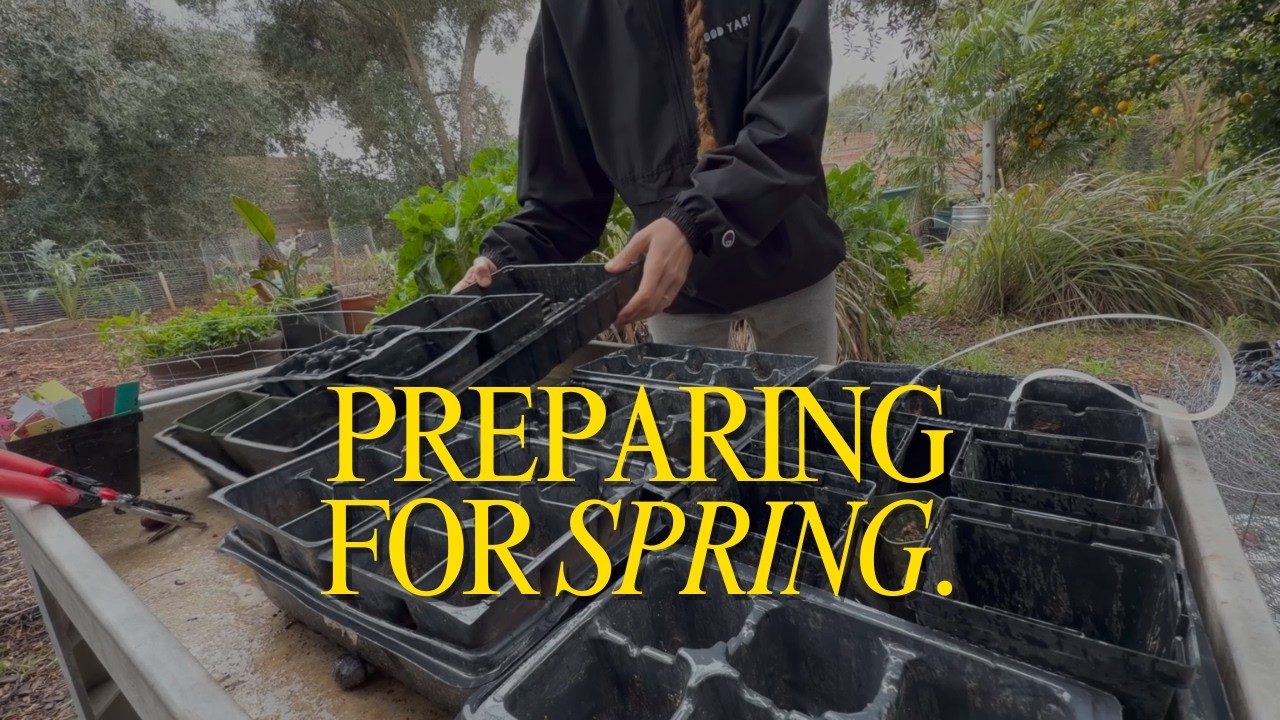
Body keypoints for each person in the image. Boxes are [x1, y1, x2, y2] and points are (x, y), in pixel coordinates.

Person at [452, 0, 845, 363]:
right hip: (675, 294)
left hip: (793, 261)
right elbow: (563, 194)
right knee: (693, 437)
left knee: (812, 426)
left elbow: (789, 124)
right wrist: (504, 261)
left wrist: (691, 222)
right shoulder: (568, 11)